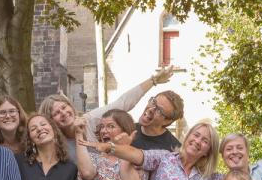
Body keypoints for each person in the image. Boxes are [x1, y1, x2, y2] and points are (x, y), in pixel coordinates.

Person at [38, 65, 179, 158]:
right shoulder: (51, 141)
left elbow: (123, 103)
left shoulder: (90, 120)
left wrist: (153, 80)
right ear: (50, 120)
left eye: (64, 107)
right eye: (56, 113)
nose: (63, 113)